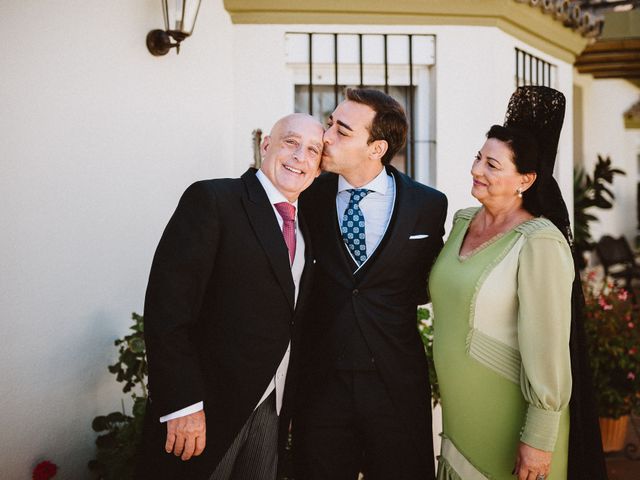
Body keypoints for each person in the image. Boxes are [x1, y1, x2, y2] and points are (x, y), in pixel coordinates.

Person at [429, 86, 606, 480]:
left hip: (512, 423)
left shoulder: (539, 241)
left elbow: (549, 347)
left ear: (525, 179)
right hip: (460, 417)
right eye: (479, 157)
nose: (477, 169)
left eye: (493, 165)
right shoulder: (461, 222)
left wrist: (539, 440)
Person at [136, 113, 323, 480]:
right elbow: (168, 310)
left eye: (313, 150)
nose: (300, 156)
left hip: (272, 409)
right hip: (204, 409)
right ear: (265, 145)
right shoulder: (214, 199)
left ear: (318, 168)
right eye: (291, 142)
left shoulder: (308, 227)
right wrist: (181, 404)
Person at [295, 88, 448, 480]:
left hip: (394, 381)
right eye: (330, 123)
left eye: (342, 131)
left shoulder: (427, 205)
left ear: (376, 147)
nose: (326, 136)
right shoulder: (306, 196)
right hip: (320, 382)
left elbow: (427, 283)